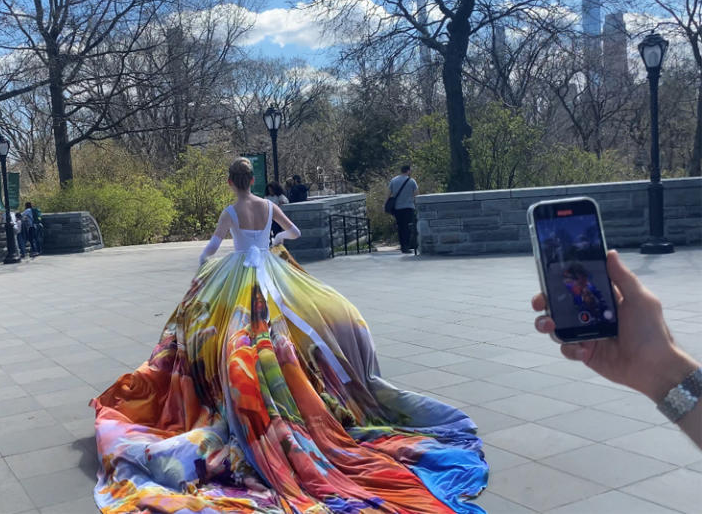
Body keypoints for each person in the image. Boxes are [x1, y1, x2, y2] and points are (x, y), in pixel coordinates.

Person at [92, 158, 487, 513]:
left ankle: (238, 387)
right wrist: (274, 242)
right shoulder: (268, 206)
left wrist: (201, 265)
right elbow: (293, 232)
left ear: (231, 182)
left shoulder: (231, 210)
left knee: (229, 326)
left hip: (236, 275)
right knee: (281, 324)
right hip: (269, 270)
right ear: (252, 180)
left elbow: (214, 244)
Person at [532, 250, 702, 448]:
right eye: (568, 280)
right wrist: (659, 371)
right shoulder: (565, 297)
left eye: (575, 280)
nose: (572, 284)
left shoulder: (596, 296)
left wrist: (662, 371)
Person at [389, 165, 419, 253]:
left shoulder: (393, 180)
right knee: (408, 227)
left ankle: (402, 245)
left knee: (401, 227)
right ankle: (407, 246)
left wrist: (386, 205)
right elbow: (416, 194)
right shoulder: (412, 181)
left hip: (397, 208)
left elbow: (388, 194)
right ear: (408, 171)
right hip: (409, 207)